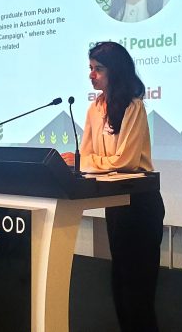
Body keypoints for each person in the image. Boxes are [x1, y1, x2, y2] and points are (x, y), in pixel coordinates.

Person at [61, 41, 165, 332]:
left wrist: (85, 161)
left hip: (141, 202)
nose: (91, 75)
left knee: (139, 289)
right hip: (115, 203)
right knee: (119, 284)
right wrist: (79, 162)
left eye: (98, 69)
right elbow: (88, 155)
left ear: (115, 71)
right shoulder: (95, 108)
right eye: (90, 69)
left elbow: (127, 160)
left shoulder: (133, 106)